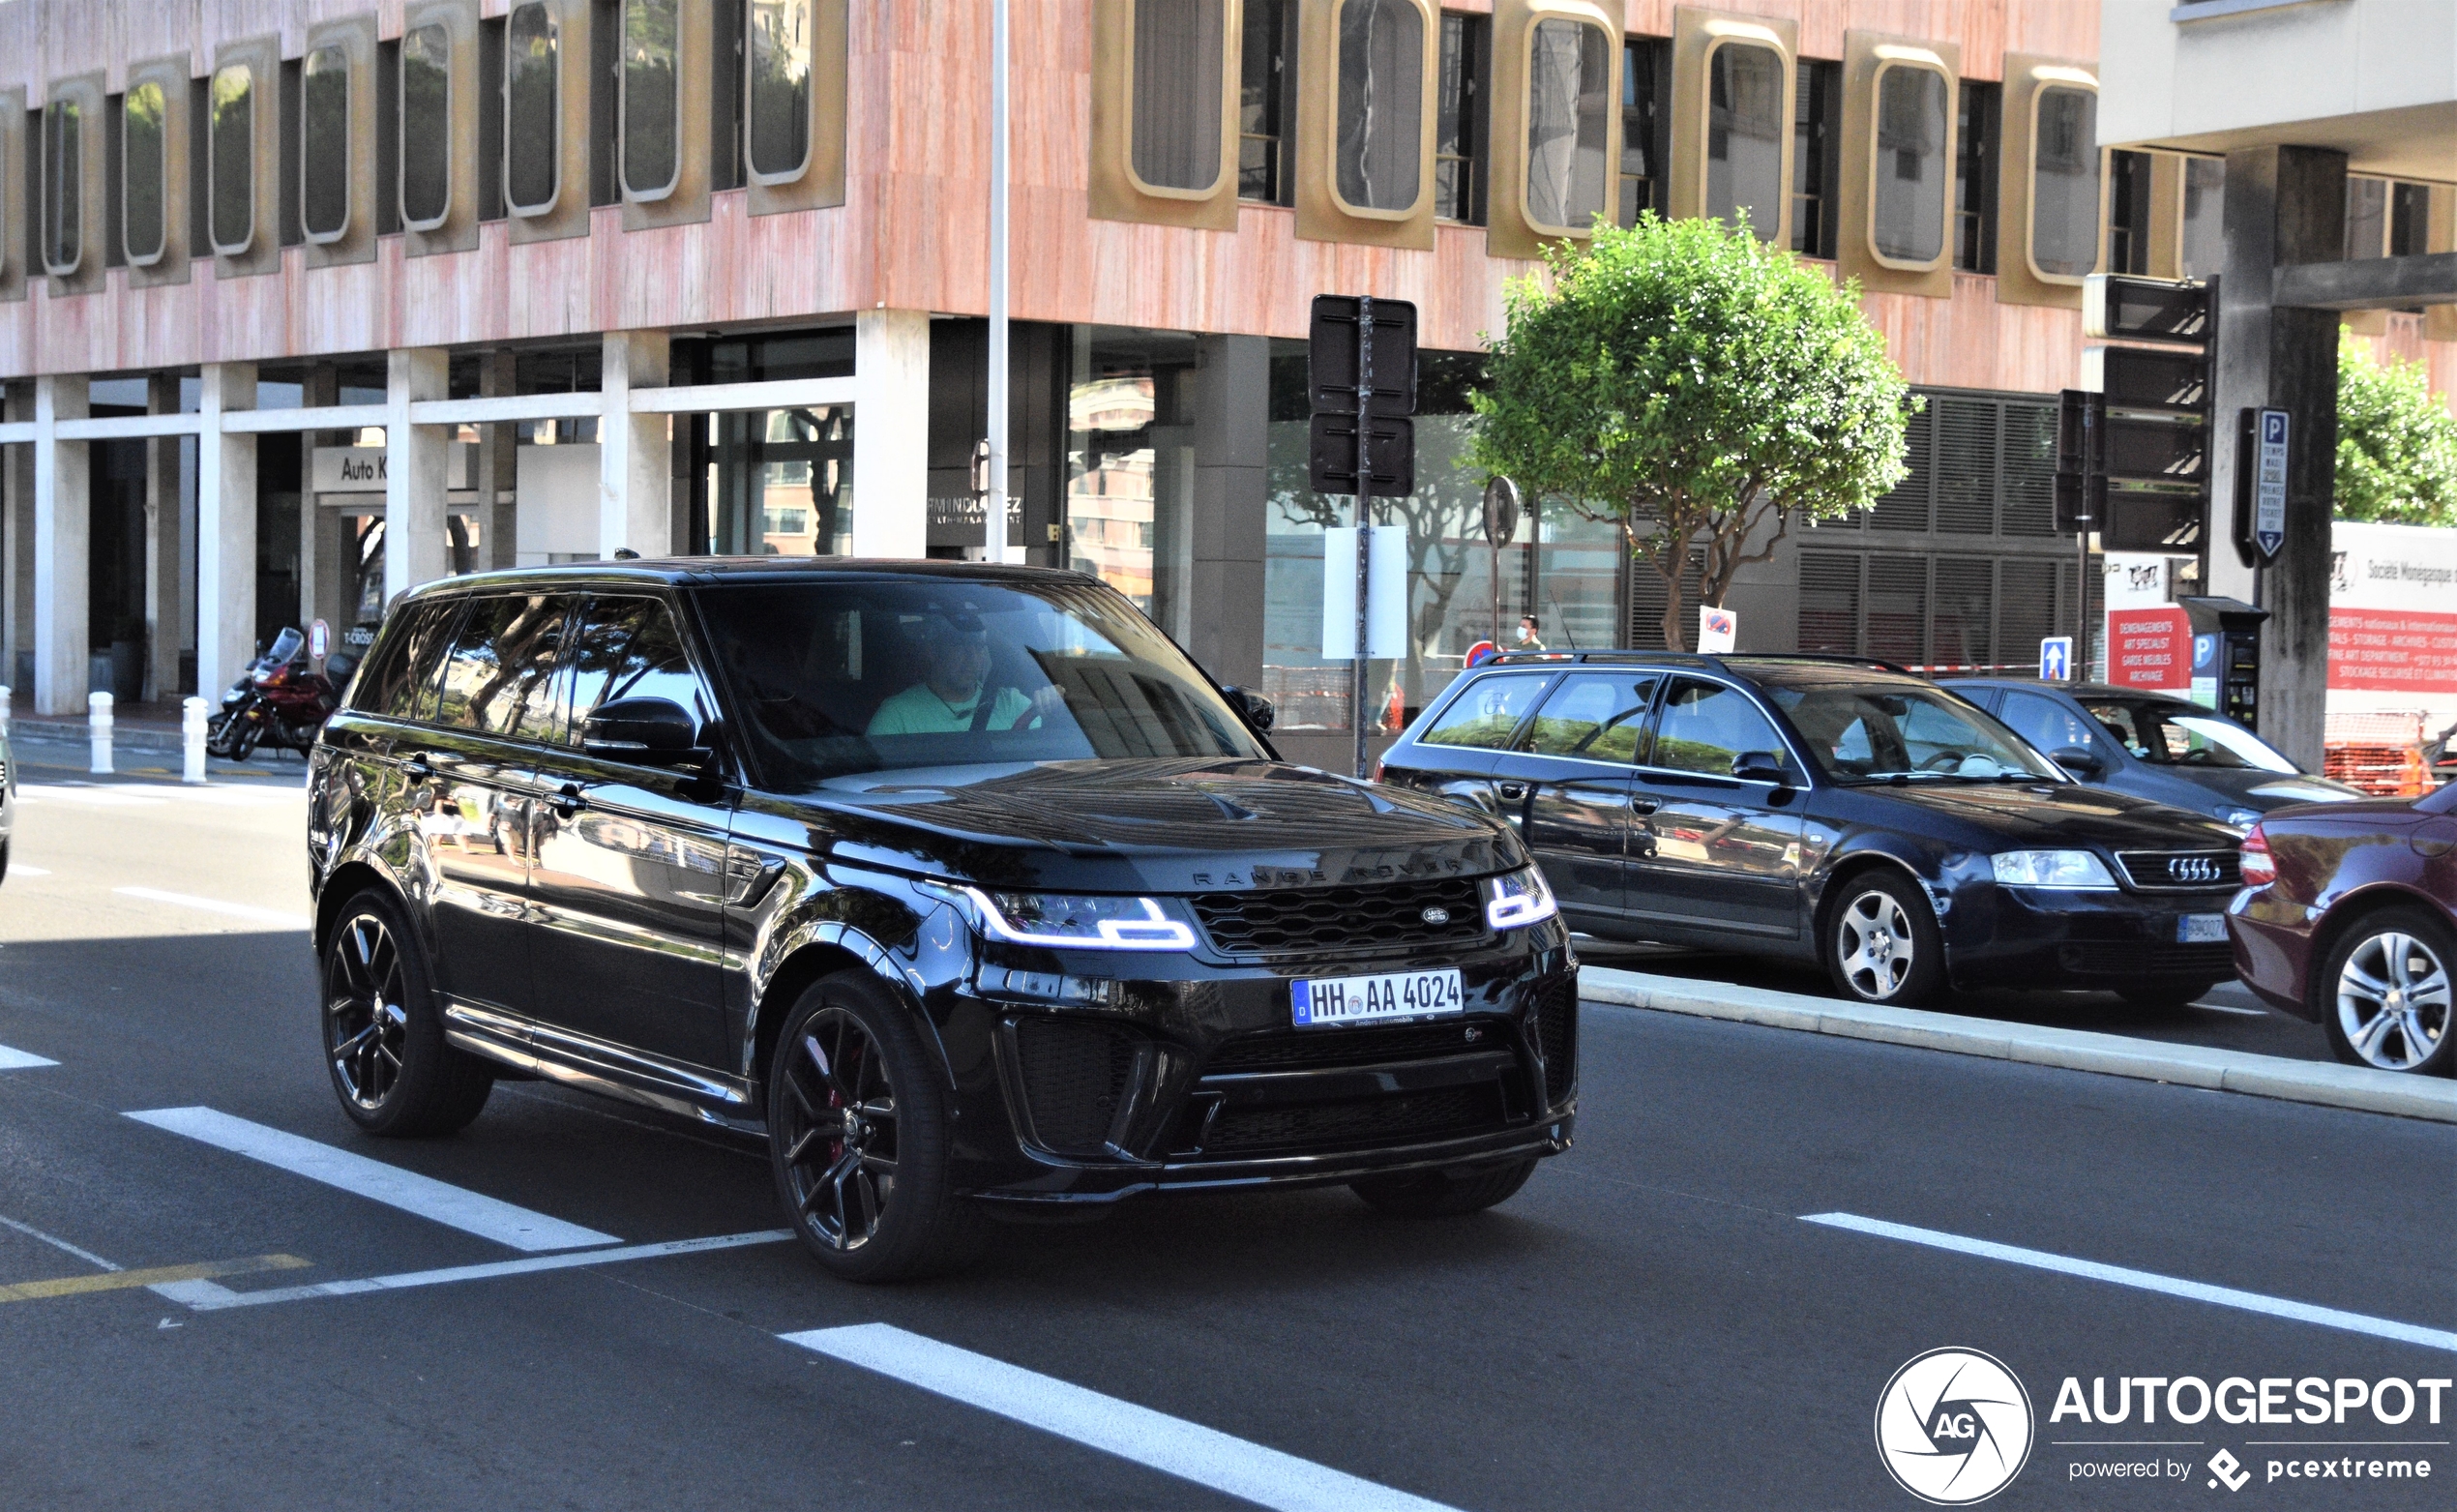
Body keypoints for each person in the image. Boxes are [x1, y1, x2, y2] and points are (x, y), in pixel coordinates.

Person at [866, 613, 1063, 736]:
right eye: (959, 646)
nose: (972, 657)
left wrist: (1056, 708)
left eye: (978, 647)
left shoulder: (1012, 704)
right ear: (932, 652)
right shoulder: (897, 715)